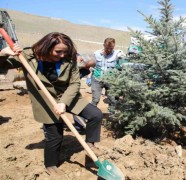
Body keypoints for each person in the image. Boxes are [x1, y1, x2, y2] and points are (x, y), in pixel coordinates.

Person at [0, 32, 103, 176]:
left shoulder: (69, 58)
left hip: (67, 95)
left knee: (95, 114)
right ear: (47, 47)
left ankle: (90, 145)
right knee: (55, 135)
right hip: (45, 99)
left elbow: (74, 83)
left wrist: (63, 102)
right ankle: (50, 164)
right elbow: (1, 66)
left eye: (65, 51)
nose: (62, 55)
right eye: (58, 51)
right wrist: (4, 54)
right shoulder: (27, 56)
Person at [89, 37, 124, 106]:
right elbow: (91, 66)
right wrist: (89, 76)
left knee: (113, 100)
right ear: (104, 45)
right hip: (97, 78)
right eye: (107, 47)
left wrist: (121, 55)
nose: (109, 50)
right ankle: (91, 115)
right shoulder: (96, 54)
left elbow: (123, 60)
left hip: (110, 80)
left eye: (111, 48)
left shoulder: (117, 54)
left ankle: (112, 115)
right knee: (95, 99)